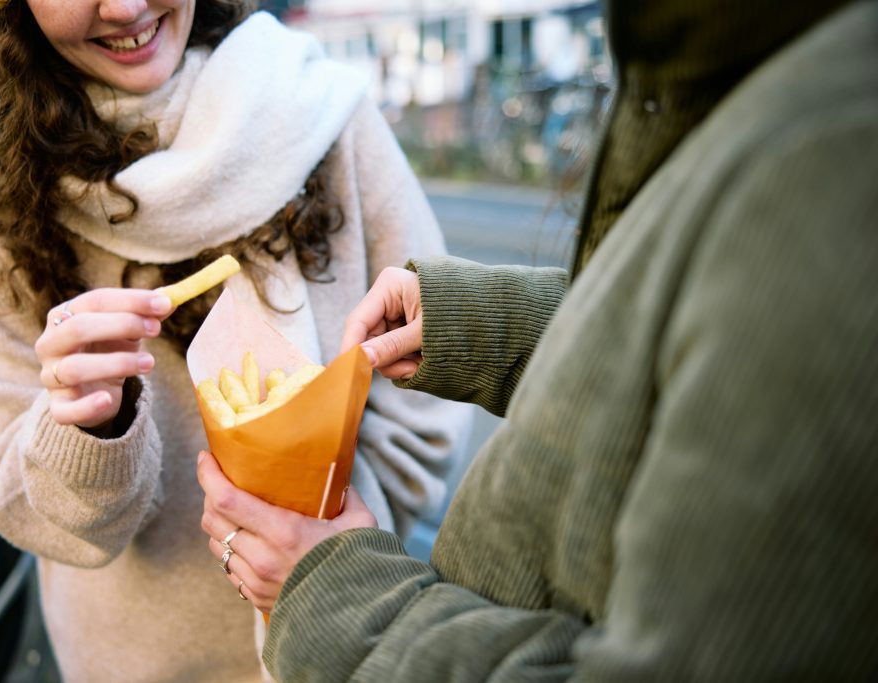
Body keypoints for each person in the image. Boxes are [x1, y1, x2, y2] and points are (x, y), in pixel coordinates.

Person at [198, 0, 878, 679]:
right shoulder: (732, 62)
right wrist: (486, 324)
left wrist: (343, 602)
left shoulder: (830, 152)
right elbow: (701, 345)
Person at [0, 0, 472, 680]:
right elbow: (23, 504)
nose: (126, 8)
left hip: (344, 649)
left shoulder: (326, 116)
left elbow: (432, 375)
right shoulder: (1, 214)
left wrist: (332, 550)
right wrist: (88, 429)